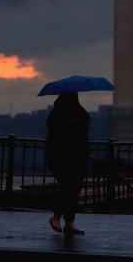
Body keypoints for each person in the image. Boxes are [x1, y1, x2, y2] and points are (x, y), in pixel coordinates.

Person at [45, 92, 91, 235]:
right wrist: (70, 123)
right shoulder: (57, 116)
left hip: (77, 156)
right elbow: (57, 136)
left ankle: (69, 223)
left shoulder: (80, 113)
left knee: (73, 190)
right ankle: (58, 217)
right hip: (62, 157)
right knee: (68, 188)